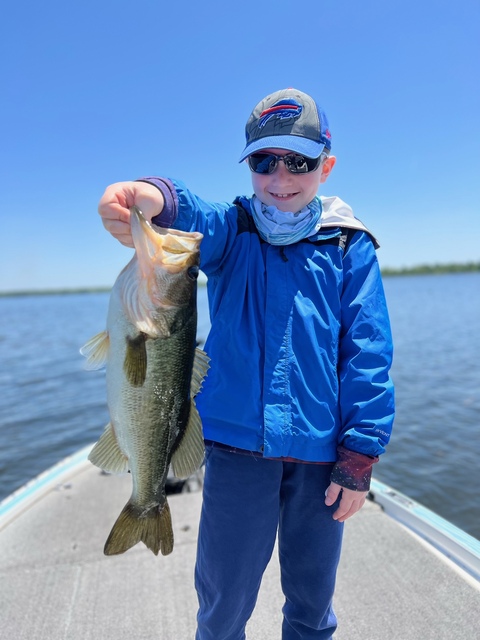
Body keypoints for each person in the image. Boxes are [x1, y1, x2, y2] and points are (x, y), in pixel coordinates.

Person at [98, 88, 395, 640]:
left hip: (321, 459)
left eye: (299, 161)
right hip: (236, 452)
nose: (280, 176)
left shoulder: (349, 248)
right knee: (223, 600)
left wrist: (360, 454)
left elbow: (368, 355)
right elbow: (190, 214)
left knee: (311, 602)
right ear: (249, 166)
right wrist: (151, 196)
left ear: (326, 167)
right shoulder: (233, 230)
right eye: (264, 160)